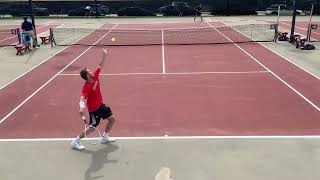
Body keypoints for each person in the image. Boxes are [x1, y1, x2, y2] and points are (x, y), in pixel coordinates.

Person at [71, 48, 116, 150]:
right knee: (92, 128)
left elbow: (100, 65)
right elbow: (82, 97)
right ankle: (75, 141)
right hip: (93, 110)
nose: (91, 71)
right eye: (88, 71)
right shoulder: (86, 87)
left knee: (112, 119)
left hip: (101, 105)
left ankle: (104, 137)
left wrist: (104, 55)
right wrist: (81, 107)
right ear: (87, 76)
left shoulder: (95, 76)